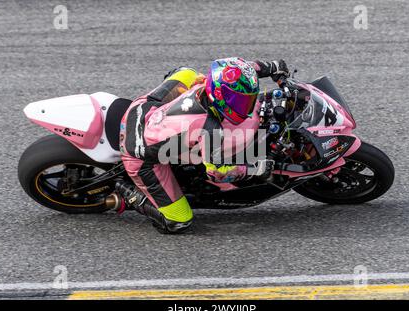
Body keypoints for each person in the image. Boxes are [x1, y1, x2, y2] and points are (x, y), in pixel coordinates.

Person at [117, 57, 289, 234]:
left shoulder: (211, 83)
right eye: (240, 101)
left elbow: (244, 69)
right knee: (178, 221)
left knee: (188, 73)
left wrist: (272, 67)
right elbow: (217, 173)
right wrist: (254, 169)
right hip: (137, 151)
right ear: (221, 97)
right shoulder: (210, 130)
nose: (247, 105)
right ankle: (126, 192)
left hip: (144, 107)